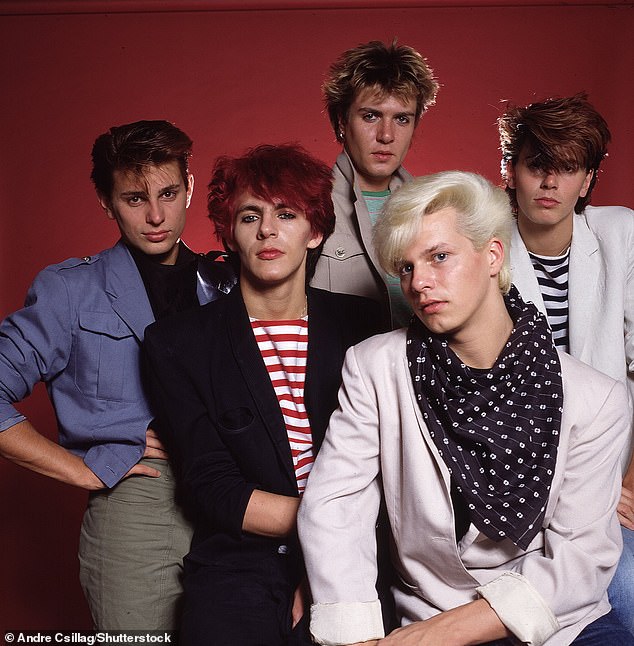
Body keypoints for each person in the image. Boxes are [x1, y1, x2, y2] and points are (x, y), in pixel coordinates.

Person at [298, 171, 633, 645]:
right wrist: (359, 637)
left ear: (493, 255)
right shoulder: (374, 368)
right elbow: (335, 507)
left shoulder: (595, 399)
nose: (420, 283)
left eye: (439, 257)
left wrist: (437, 636)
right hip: (430, 605)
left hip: (557, 625)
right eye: (408, 267)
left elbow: (579, 557)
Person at [143, 143, 383, 645]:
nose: (268, 230)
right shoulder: (178, 343)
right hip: (239, 562)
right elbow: (212, 487)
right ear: (230, 233)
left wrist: (329, 561)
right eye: (250, 215)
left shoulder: (364, 325)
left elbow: (390, 469)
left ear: (315, 231)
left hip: (360, 555)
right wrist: (327, 531)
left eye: (287, 213)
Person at [0, 120, 235, 629]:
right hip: (136, 509)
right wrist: (82, 467)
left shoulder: (226, 284)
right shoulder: (71, 289)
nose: (156, 215)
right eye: (134, 199)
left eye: (169, 193)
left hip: (231, 505)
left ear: (189, 188)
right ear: (106, 203)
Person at [499, 93, 634, 635]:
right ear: (511, 171)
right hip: (514, 488)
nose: (550, 183)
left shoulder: (622, 235)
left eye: (568, 168)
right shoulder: (479, 245)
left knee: (625, 604)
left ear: (588, 180)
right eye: (537, 165)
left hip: (609, 480)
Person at [311, 39, 438, 329]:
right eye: (371, 116)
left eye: (402, 119)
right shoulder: (308, 205)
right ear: (342, 121)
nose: (386, 135)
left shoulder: (436, 209)